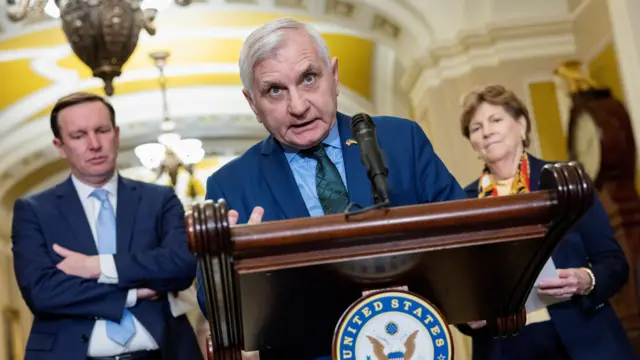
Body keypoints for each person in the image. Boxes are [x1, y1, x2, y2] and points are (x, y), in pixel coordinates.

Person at [196, 18, 467, 360]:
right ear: (253, 104)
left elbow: (464, 247)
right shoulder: (230, 184)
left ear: (334, 76)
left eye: (309, 78)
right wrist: (237, 268)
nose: (297, 106)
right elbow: (215, 310)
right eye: (274, 90)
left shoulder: (401, 141)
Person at [11, 92, 202, 360]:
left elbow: (180, 266)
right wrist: (133, 294)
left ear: (116, 133)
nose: (94, 144)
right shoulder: (34, 211)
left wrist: (98, 266)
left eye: (102, 130)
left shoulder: (159, 199)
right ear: (60, 145)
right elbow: (42, 292)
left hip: (163, 352)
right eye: (79, 136)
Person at [456, 84, 635, 359]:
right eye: (475, 127)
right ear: (472, 142)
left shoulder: (569, 182)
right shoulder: (462, 204)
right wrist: (467, 318)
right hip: (505, 348)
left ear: (522, 125)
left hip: (584, 340)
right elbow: (457, 287)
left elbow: (614, 263)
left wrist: (586, 279)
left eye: (495, 120)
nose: (487, 131)